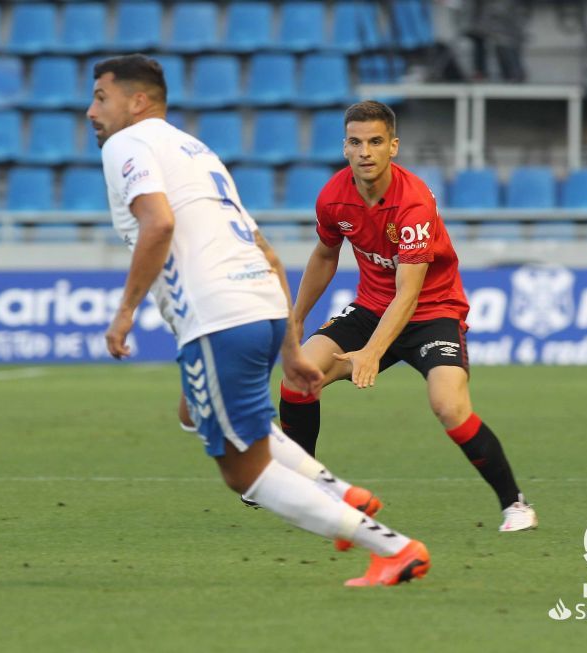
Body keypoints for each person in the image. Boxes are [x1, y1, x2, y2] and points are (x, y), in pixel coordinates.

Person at [89, 54, 430, 586]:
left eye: (101, 97)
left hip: (218, 315)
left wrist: (125, 310)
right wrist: (290, 344)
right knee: (194, 413)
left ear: (137, 102)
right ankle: (338, 493)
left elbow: (157, 224)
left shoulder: (127, 145)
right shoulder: (194, 150)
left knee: (240, 468)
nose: (92, 111)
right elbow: (264, 248)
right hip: (259, 306)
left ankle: (391, 545)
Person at [278, 100, 537, 535]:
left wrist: (371, 353)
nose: (365, 151)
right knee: (300, 374)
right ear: (344, 147)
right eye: (356, 142)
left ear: (392, 147)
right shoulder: (333, 197)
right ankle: (300, 488)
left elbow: (409, 292)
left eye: (375, 142)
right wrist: (296, 318)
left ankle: (514, 503)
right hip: (370, 307)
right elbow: (325, 254)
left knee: (448, 405)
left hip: (432, 313)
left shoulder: (413, 202)